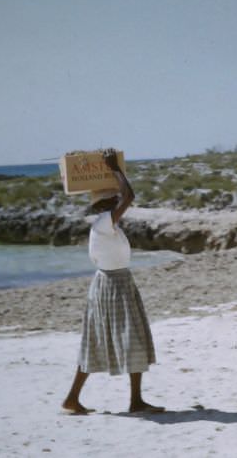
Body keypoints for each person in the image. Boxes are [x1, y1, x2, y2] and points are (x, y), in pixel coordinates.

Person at [62, 148, 164, 415]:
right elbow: (130, 195)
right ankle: (131, 401)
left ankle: (82, 399)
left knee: (104, 341)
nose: (118, 200)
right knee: (127, 339)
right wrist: (114, 168)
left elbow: (126, 197)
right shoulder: (105, 223)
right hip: (113, 286)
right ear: (104, 205)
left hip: (114, 284)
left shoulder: (105, 225)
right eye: (113, 199)